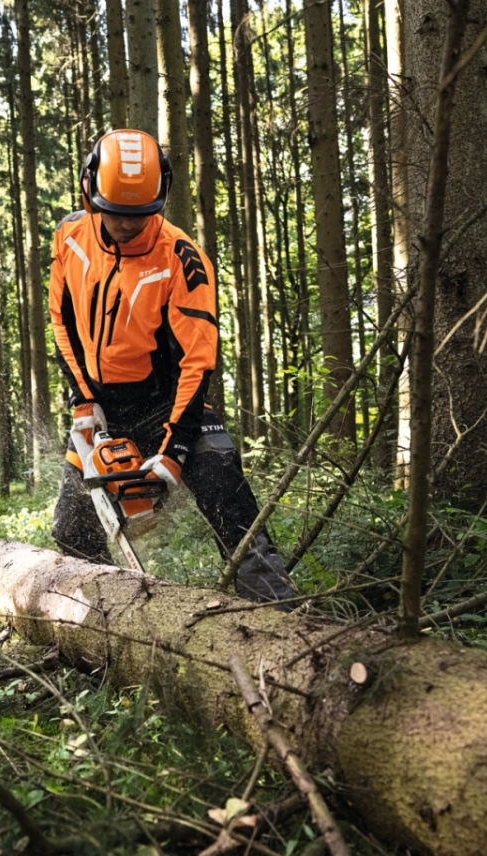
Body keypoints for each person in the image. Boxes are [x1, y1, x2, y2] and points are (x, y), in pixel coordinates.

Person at [48, 129, 296, 603]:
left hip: (174, 401)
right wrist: (85, 398)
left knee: (228, 496)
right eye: (117, 213)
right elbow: (61, 318)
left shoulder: (182, 259)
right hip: (103, 404)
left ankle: (278, 611)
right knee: (71, 528)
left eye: (139, 215)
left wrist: (175, 448)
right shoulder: (70, 236)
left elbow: (199, 359)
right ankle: (111, 618)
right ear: (89, 191)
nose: (127, 225)